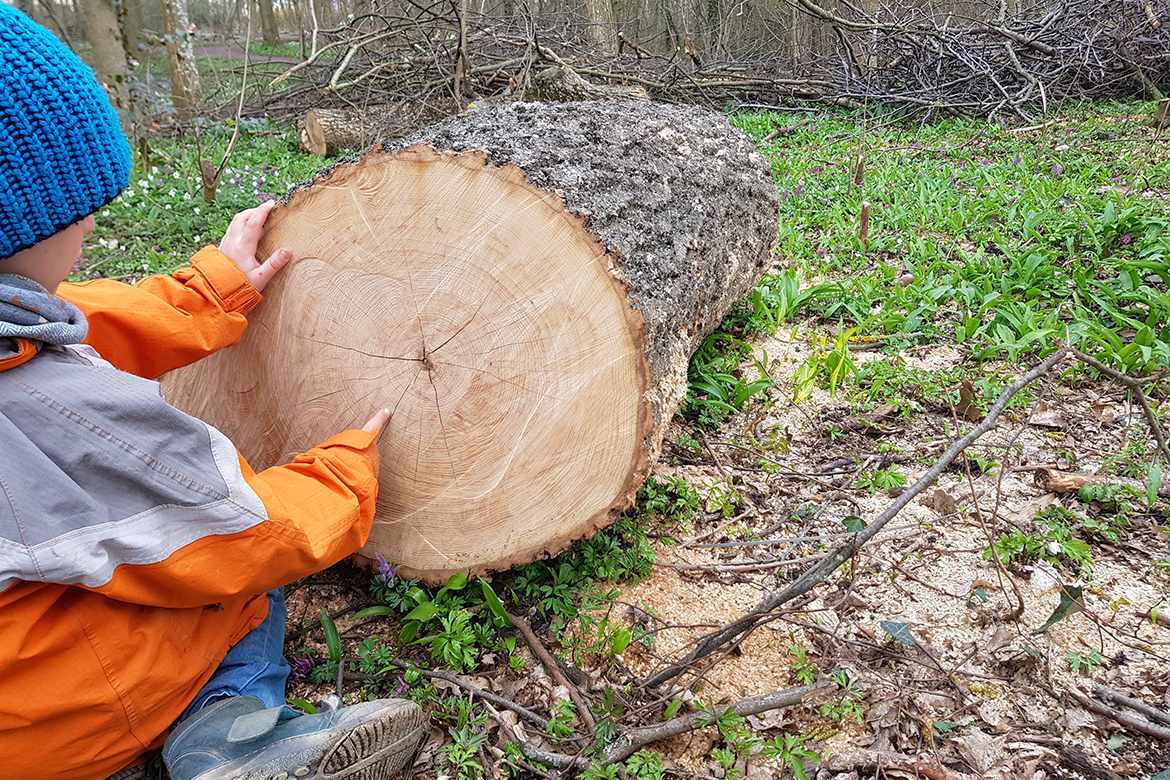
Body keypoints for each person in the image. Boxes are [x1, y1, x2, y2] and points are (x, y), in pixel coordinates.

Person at [0, 6, 424, 780]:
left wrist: (207, 292)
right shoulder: (44, 411)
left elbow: (72, 318)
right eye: (74, 205)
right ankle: (230, 735)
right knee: (237, 596)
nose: (94, 218)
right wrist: (346, 470)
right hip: (46, 723)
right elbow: (241, 533)